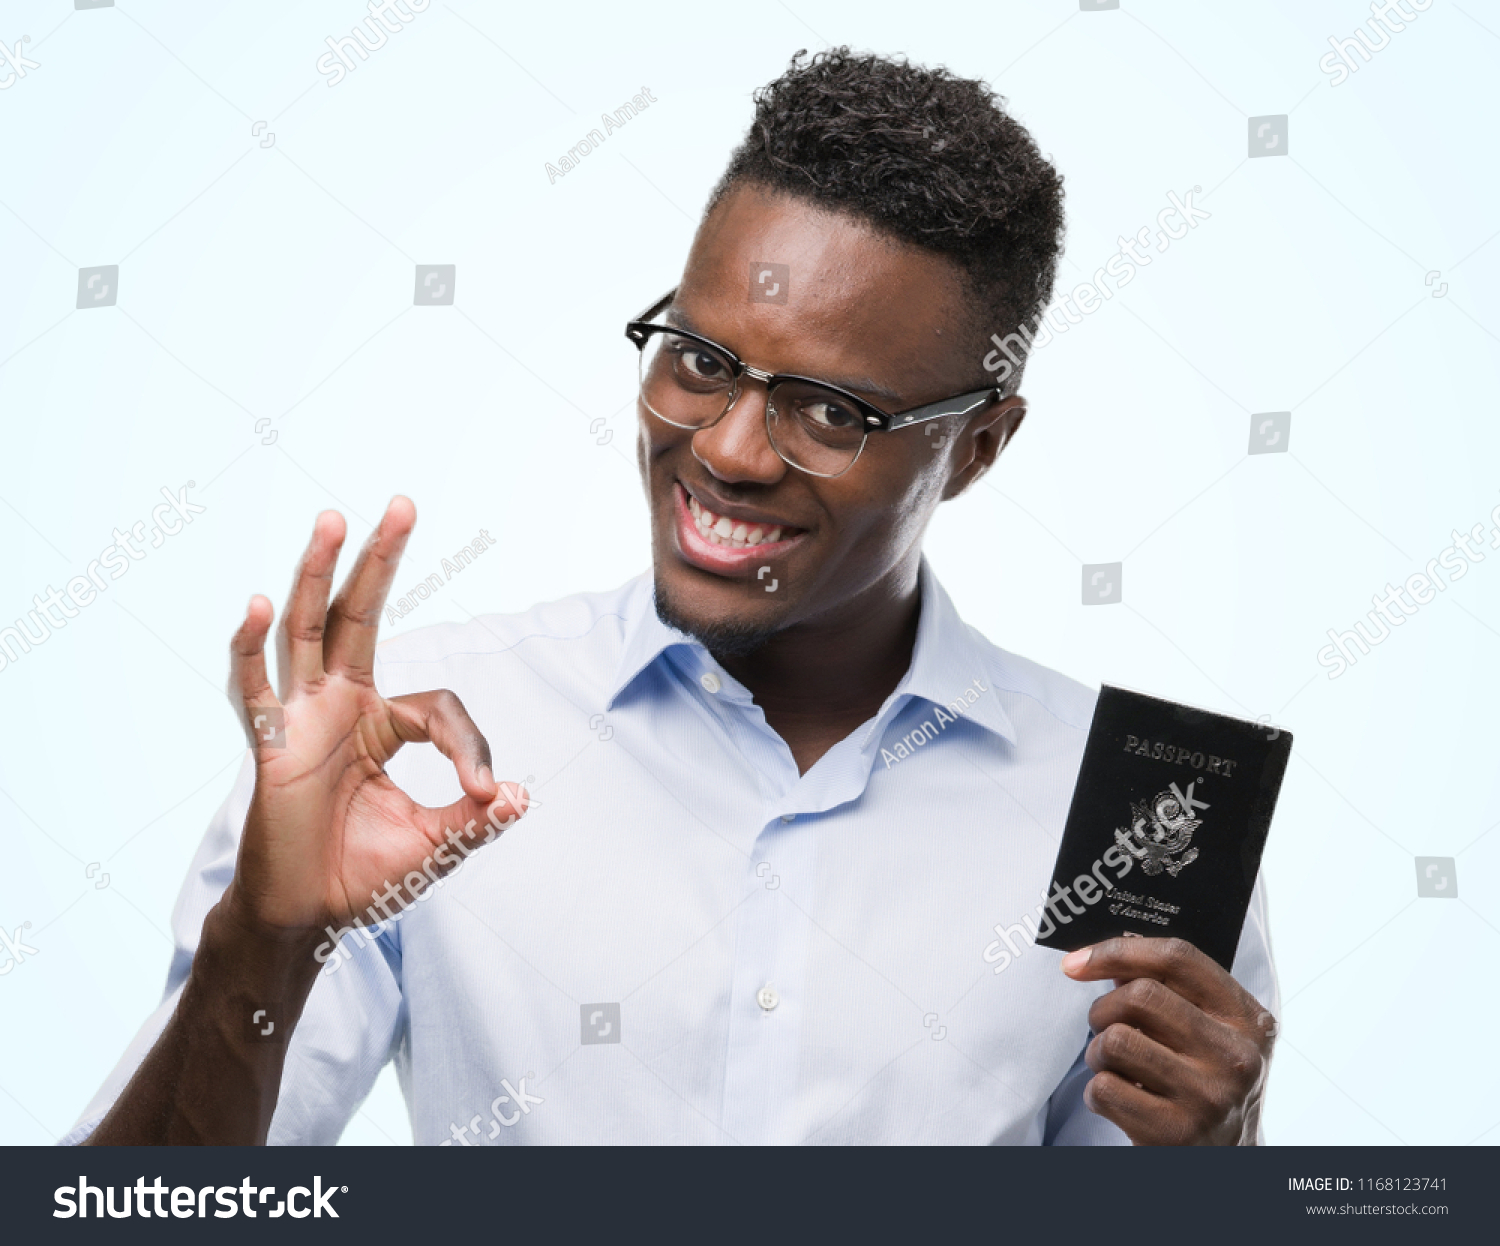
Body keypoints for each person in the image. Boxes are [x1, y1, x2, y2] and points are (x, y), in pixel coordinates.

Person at [73, 48, 1277, 1146]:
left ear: (977, 448)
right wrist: (260, 947)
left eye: (832, 410)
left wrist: (1221, 1175)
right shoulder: (410, 749)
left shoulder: (1147, 812)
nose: (732, 450)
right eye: (702, 361)